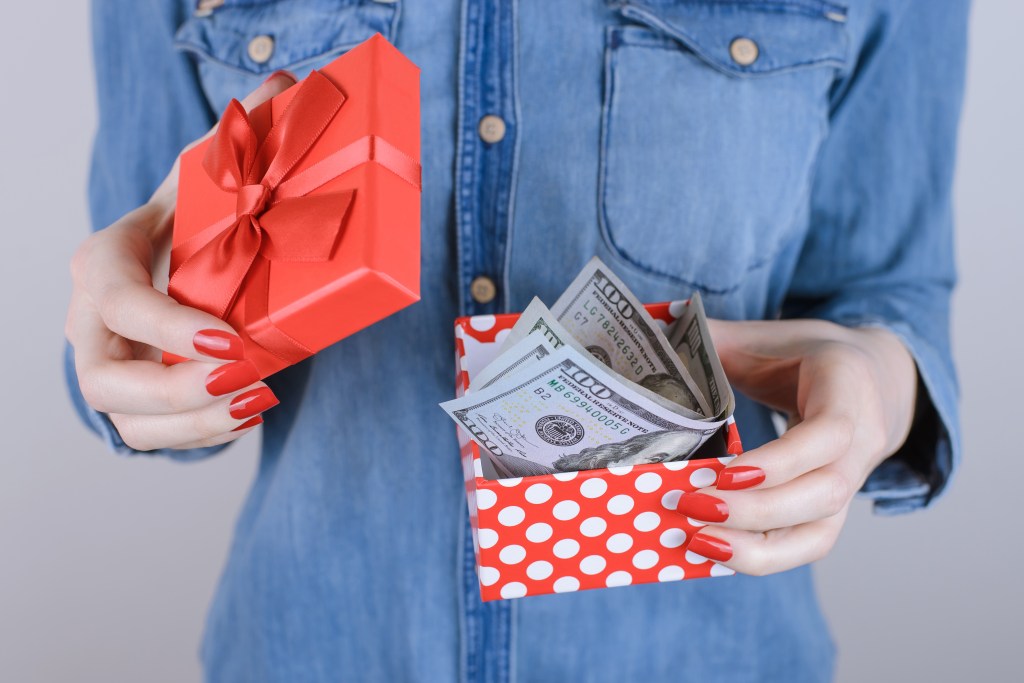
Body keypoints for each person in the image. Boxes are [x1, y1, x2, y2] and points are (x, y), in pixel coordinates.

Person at [65, 1, 968, 681]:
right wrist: (136, 356)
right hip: (312, 643)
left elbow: (892, 291)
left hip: (704, 653)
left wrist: (878, 383)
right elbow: (131, 298)